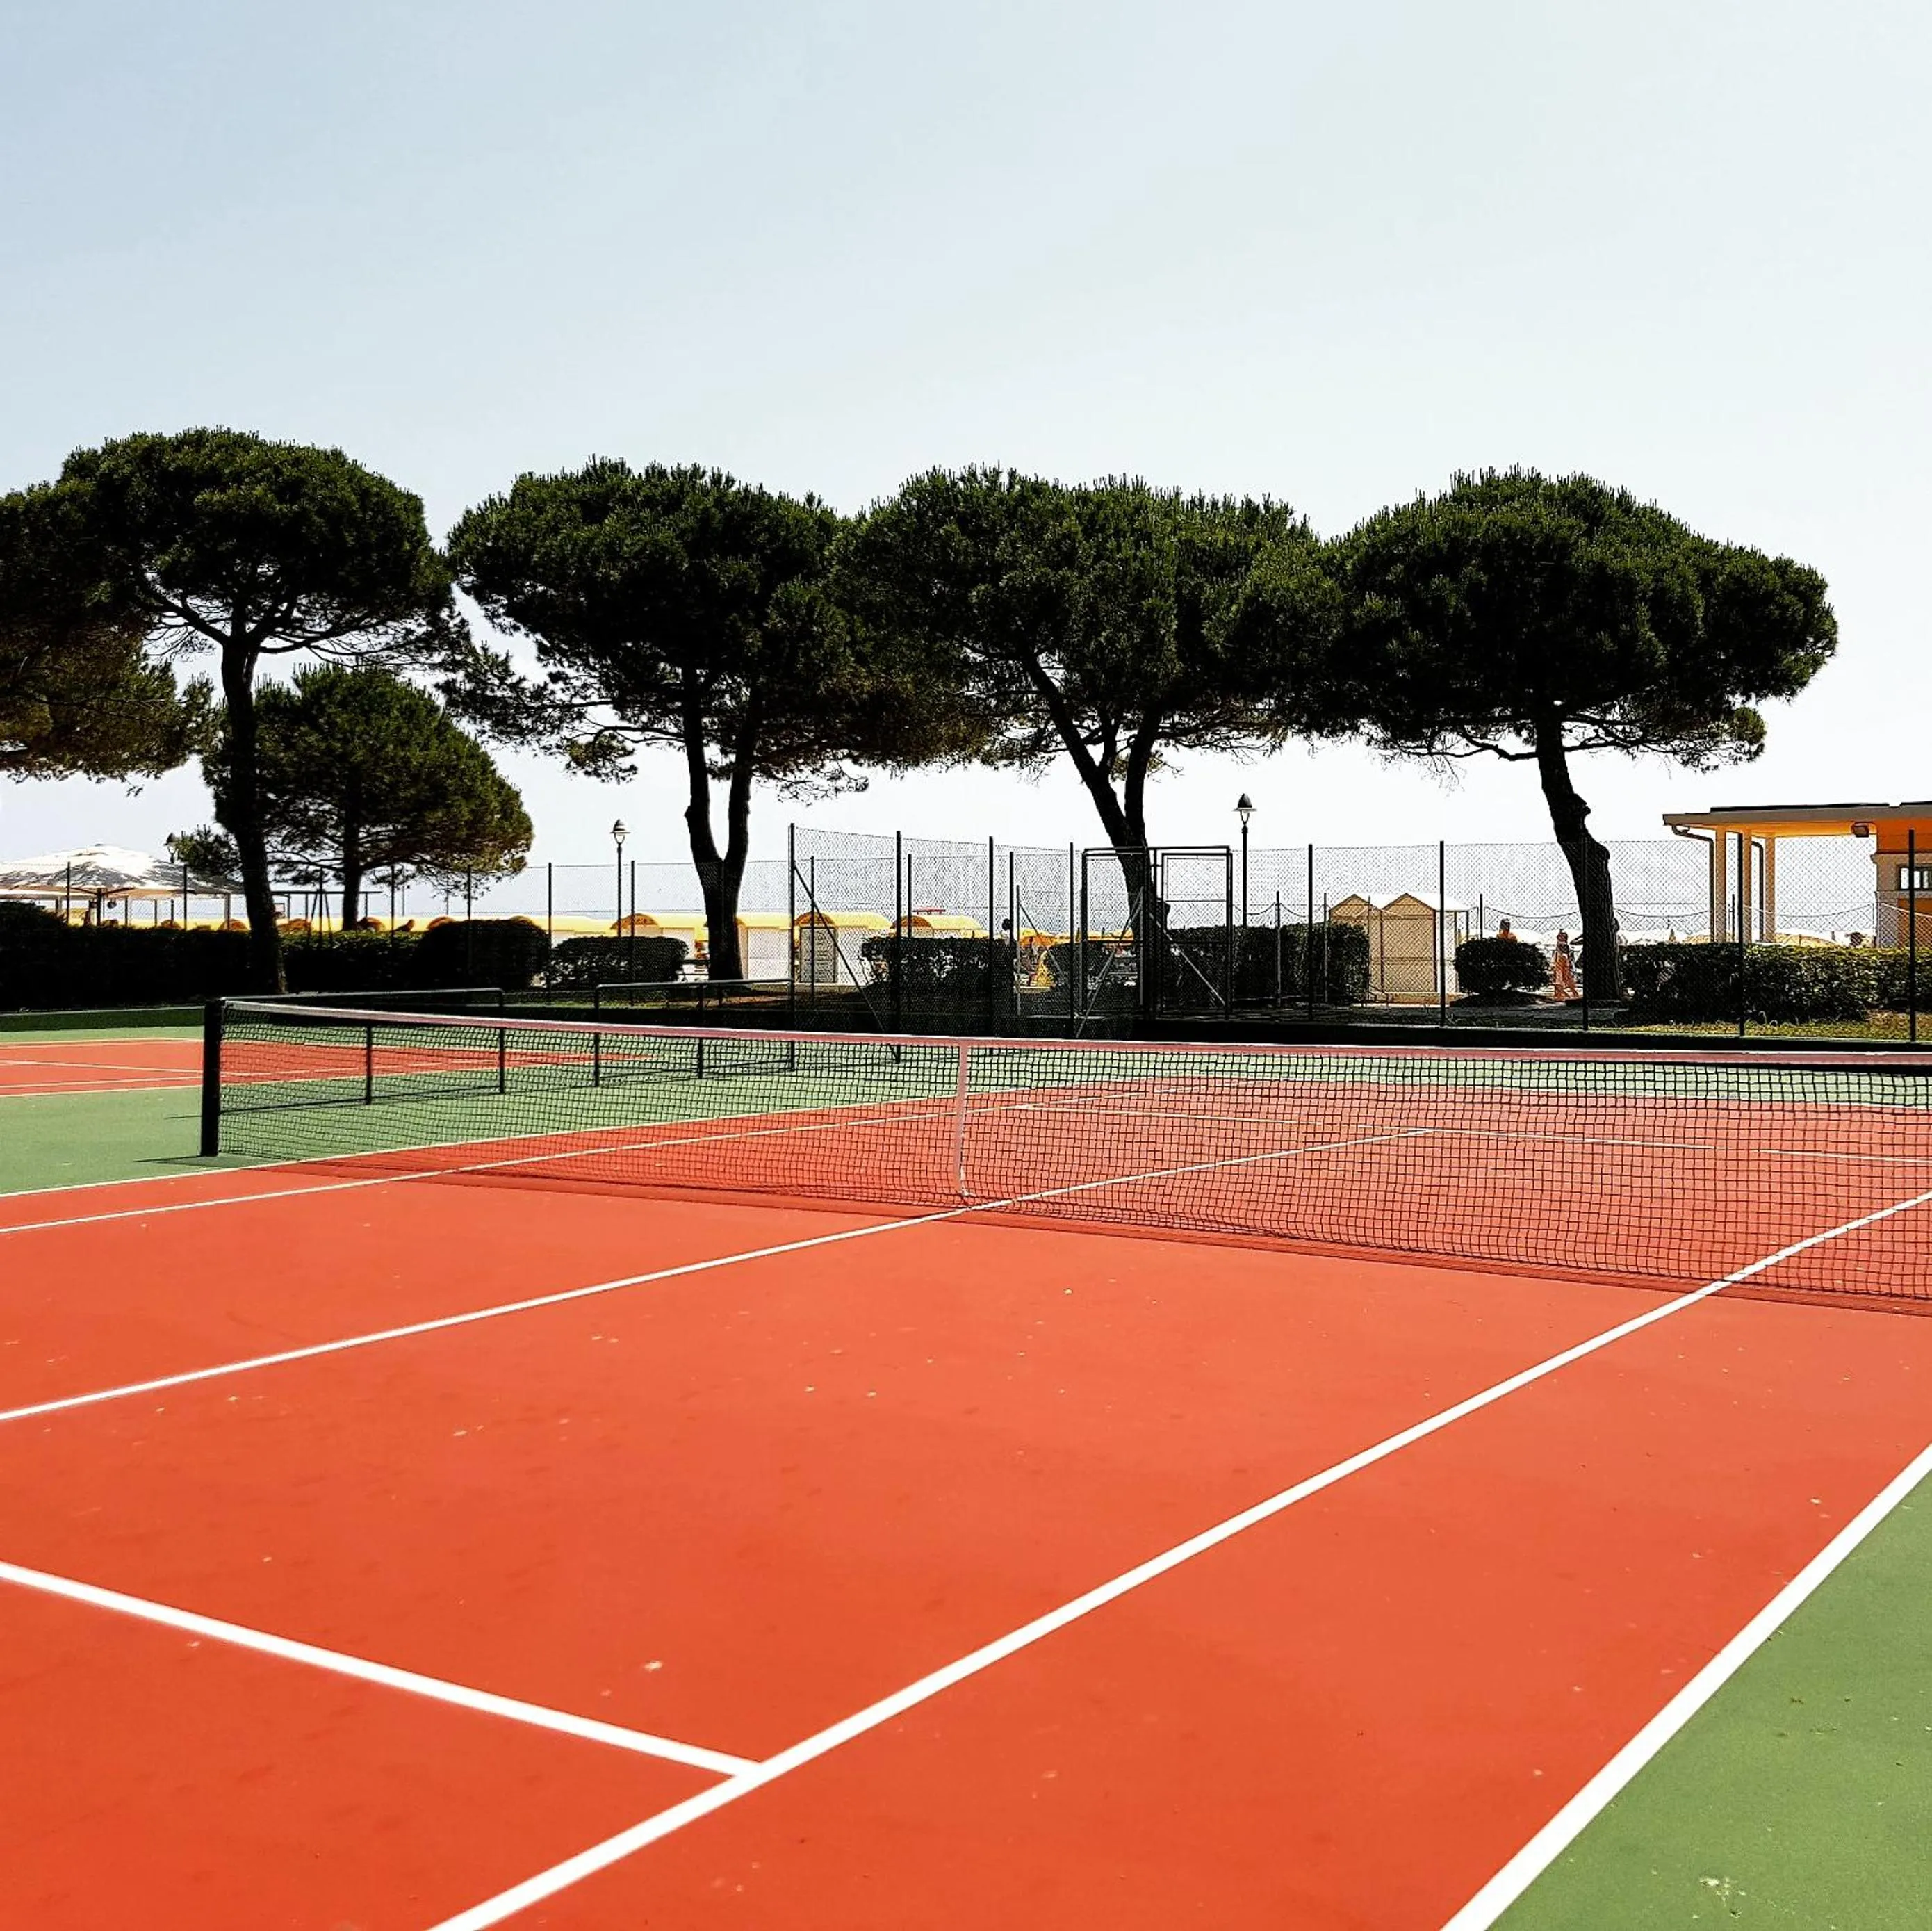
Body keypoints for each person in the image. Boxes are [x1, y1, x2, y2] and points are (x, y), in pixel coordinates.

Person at [1550, 929, 1580, 1001]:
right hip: (1562, 963)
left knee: (1561, 979)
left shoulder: (1563, 946)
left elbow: (1563, 953)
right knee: (1564, 979)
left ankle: (1562, 994)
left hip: (1562, 963)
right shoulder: (1563, 946)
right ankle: (1563, 994)